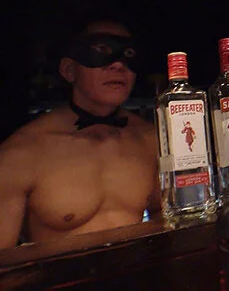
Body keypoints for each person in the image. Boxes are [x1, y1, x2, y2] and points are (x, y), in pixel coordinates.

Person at [0, 18, 159, 249]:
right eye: (101, 51)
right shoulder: (21, 153)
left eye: (128, 54)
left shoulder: (150, 140)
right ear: (69, 70)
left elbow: (170, 224)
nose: (118, 65)